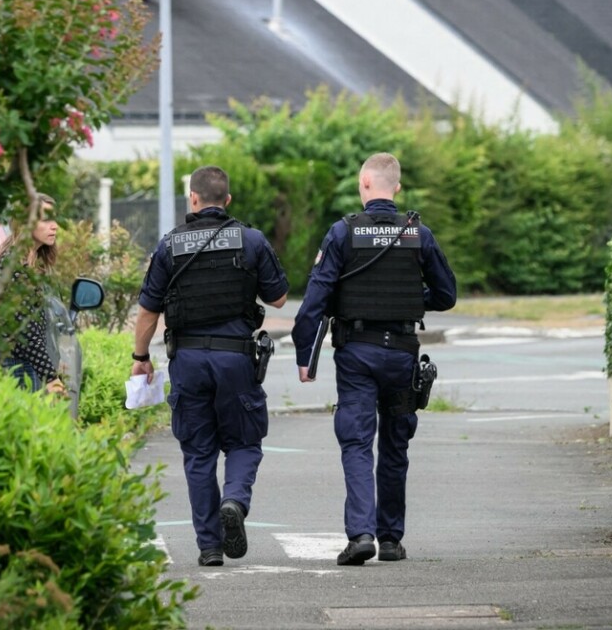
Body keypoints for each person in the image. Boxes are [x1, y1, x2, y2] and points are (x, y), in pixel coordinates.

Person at [291, 152, 456, 566]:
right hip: (402, 353)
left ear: (364, 184)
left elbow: (315, 301)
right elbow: (446, 295)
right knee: (396, 446)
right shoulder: (419, 233)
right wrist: (407, 301)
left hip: (357, 355)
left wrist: (303, 355)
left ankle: (361, 534)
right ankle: (392, 540)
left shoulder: (342, 233)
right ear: (396, 188)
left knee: (357, 442)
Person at [131, 166, 289, 567]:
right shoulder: (250, 240)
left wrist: (140, 358)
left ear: (193, 199)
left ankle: (209, 547)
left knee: (198, 453)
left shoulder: (169, 246)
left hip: (188, 361)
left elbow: (148, 312)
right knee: (244, 442)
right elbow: (280, 299)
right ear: (228, 200)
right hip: (235, 359)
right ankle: (234, 500)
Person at [0, 194, 67, 396]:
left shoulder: (31, 263)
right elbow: (25, 328)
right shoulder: (13, 264)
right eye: (46, 219)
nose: (55, 226)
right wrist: (51, 377)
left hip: (25, 362)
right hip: (14, 366)